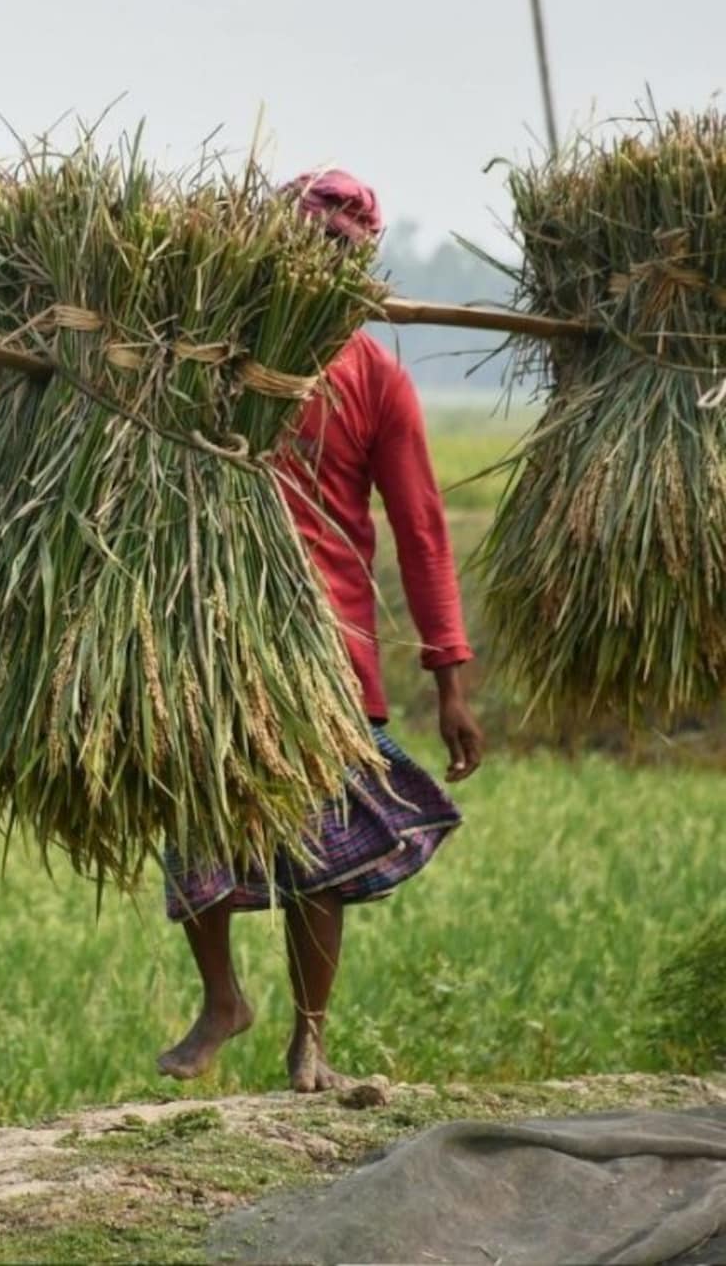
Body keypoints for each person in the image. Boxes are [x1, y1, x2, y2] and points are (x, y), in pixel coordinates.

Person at [157, 168, 487, 1093]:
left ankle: (310, 1040)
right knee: (194, 811)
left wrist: (449, 677)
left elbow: (421, 526)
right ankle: (223, 995)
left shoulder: (373, 373)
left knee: (322, 851)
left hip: (326, 641)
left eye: (344, 247)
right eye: (310, 237)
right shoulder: (217, 341)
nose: (324, 255)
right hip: (210, 624)